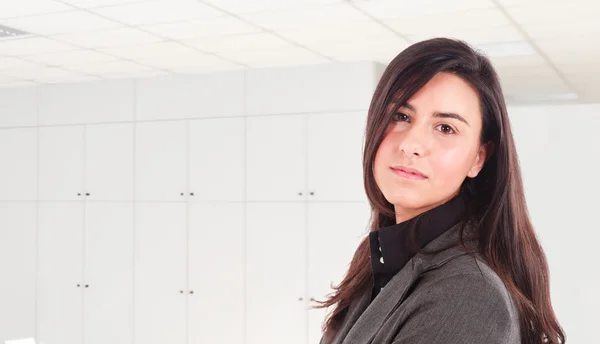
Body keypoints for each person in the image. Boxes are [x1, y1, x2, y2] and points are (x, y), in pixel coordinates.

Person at [311, 38, 566, 344]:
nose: (411, 145)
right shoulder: (380, 257)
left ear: (478, 158)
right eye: (401, 116)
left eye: (445, 128)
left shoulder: (469, 294)